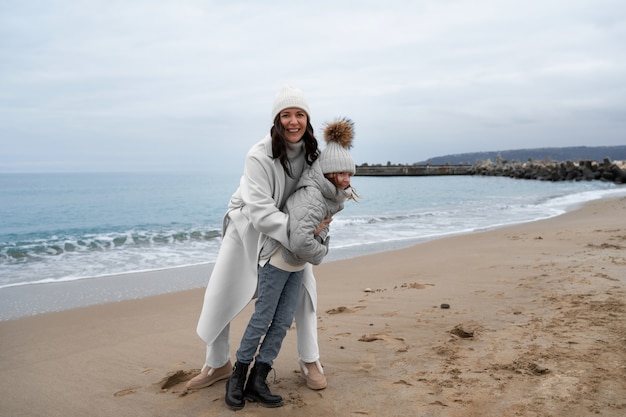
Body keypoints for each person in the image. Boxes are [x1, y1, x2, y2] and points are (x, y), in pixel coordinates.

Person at [188, 86, 328, 395]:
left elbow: (325, 192)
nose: (294, 121)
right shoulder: (258, 155)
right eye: (286, 115)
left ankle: (310, 360)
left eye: (300, 114)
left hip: (292, 226)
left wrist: (318, 223)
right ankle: (217, 363)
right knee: (222, 292)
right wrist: (299, 233)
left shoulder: (314, 155)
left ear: (308, 119)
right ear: (276, 121)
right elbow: (262, 213)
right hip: (248, 223)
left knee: (305, 291)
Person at [225, 117, 358, 410]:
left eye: (350, 173)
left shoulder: (329, 194)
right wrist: (322, 250)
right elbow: (300, 240)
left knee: (283, 321)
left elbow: (313, 233)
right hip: (277, 261)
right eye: (342, 173)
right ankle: (238, 377)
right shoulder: (314, 196)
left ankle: (258, 379)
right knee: (263, 319)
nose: (348, 179)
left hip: (295, 264)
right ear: (329, 172)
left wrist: (319, 235)